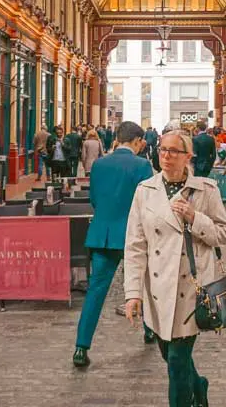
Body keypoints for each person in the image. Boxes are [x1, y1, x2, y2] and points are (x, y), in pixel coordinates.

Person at [124, 130, 226, 407]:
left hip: (190, 288)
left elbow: (224, 234)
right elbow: (135, 246)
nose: (166, 156)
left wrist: (195, 218)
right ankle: (198, 384)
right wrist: (132, 293)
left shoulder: (206, 190)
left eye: (174, 151)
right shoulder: (145, 191)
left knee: (176, 360)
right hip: (158, 289)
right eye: (163, 150)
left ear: (188, 157)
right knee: (170, 356)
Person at [72, 121, 153, 367]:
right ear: (138, 141)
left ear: (117, 138)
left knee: (96, 293)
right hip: (134, 237)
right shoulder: (143, 165)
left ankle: (81, 347)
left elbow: (94, 198)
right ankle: (149, 330)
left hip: (103, 235)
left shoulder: (99, 165)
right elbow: (149, 203)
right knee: (145, 286)